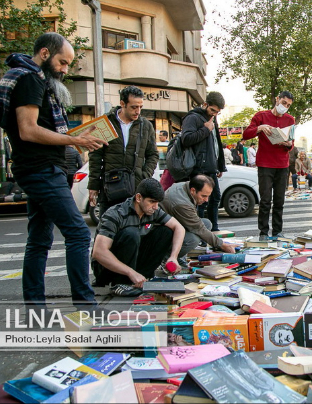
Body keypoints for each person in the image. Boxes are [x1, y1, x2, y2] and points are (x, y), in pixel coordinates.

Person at [0, 32, 107, 310]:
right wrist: (76, 140)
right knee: (79, 234)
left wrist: (77, 134)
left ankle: (34, 305)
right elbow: (29, 130)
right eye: (62, 62)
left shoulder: (33, 79)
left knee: (40, 239)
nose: (65, 70)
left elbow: (42, 126)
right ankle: (86, 305)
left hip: (40, 168)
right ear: (44, 54)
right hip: (41, 170)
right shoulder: (30, 79)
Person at [92, 179, 185, 296]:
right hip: (106, 269)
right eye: (152, 202)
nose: (156, 207)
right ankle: (120, 282)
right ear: (139, 198)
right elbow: (99, 252)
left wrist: (173, 257)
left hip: (132, 261)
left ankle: (143, 278)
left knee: (165, 231)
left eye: (157, 202)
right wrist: (130, 272)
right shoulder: (115, 214)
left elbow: (179, 228)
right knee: (131, 233)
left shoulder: (153, 211)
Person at [88, 85, 159, 219]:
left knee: (132, 231)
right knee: (107, 229)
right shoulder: (105, 122)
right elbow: (95, 156)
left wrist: (144, 175)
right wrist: (93, 185)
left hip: (135, 188)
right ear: (122, 104)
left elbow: (153, 154)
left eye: (140, 107)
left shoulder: (146, 126)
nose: (138, 111)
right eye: (133, 107)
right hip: (110, 187)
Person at [243, 91, 295, 239]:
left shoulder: (290, 119)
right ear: (277, 99)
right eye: (284, 103)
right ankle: (263, 232)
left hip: (282, 165)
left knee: (279, 201)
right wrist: (259, 128)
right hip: (265, 164)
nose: (285, 107)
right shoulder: (261, 116)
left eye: (288, 106)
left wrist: (287, 143)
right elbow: (246, 135)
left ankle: (277, 231)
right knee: (265, 200)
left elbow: (291, 144)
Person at [161, 175, 236, 269]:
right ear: (193, 190)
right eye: (203, 196)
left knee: (206, 223)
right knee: (193, 239)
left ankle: (179, 256)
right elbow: (199, 228)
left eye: (208, 196)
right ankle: (167, 258)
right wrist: (222, 245)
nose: (206, 200)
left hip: (173, 226)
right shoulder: (181, 204)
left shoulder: (185, 186)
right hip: (162, 235)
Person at [179, 91, 227, 232]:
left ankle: (213, 229)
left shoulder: (212, 119)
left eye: (217, 112)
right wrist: (205, 130)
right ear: (205, 104)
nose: (214, 114)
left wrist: (220, 166)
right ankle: (201, 232)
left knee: (215, 197)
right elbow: (186, 139)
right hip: (198, 168)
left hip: (211, 167)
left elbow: (215, 144)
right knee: (200, 201)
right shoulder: (193, 118)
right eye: (212, 110)